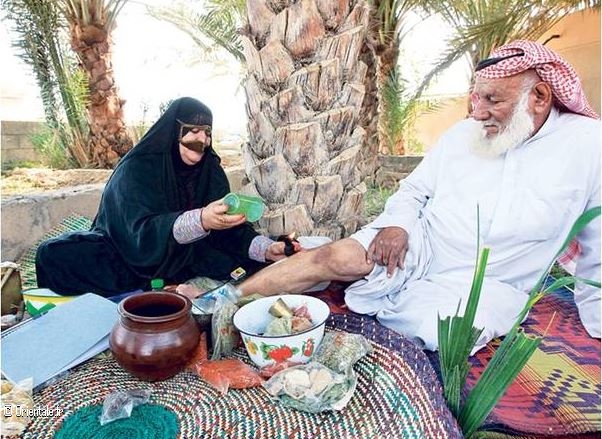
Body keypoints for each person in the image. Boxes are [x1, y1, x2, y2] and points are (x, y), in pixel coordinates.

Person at [236, 40, 601, 351]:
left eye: (492, 100)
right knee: (334, 256)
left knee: (441, 331)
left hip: (490, 283)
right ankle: (223, 304)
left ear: (539, 96)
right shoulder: (464, 134)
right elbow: (414, 189)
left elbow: (599, 243)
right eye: (475, 99)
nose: (478, 113)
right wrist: (397, 225)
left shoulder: (587, 146)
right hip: (423, 244)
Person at [35, 97, 288, 297]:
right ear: (174, 130)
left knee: (241, 261)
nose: (202, 139)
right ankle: (155, 285)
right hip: (128, 254)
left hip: (185, 255)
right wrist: (200, 220)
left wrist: (267, 249)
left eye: (207, 133)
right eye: (194, 130)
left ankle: (168, 283)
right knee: (52, 255)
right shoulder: (137, 169)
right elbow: (137, 233)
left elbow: (231, 229)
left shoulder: (209, 169)